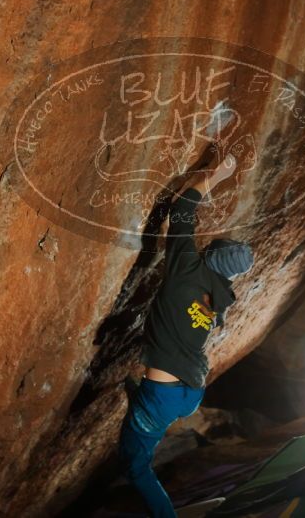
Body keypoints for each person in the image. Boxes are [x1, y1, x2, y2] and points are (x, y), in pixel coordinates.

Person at [118, 153, 254, 518]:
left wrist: (217, 175)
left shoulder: (186, 270)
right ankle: (136, 395)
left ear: (210, 255)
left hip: (163, 398)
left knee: (135, 467)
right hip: (188, 392)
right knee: (138, 395)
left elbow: (182, 208)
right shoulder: (220, 299)